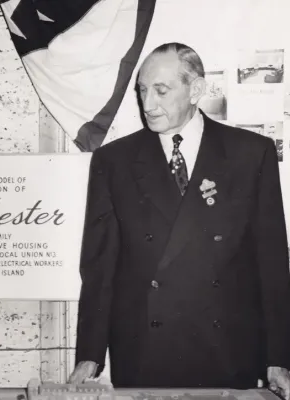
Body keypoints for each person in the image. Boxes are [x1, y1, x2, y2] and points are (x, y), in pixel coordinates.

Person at [69, 42, 290, 397]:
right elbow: (99, 269)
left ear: (196, 90)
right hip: (145, 351)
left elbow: (272, 263)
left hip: (229, 348)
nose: (147, 104)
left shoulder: (251, 153)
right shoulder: (113, 161)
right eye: (142, 90)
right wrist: (89, 355)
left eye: (161, 90)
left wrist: (279, 357)